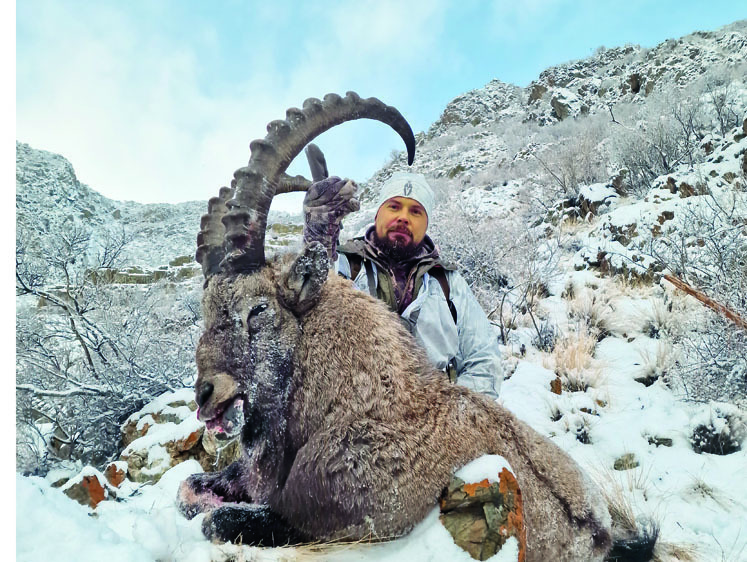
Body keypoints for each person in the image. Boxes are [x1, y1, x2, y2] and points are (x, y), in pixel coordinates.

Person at [303, 171, 502, 399]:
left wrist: (456, 417)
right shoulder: (344, 264)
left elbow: (485, 360)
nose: (404, 217)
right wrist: (317, 237)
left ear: (426, 224)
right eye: (394, 207)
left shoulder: (448, 282)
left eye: (415, 211)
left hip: (435, 419)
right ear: (377, 214)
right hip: (351, 412)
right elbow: (308, 299)